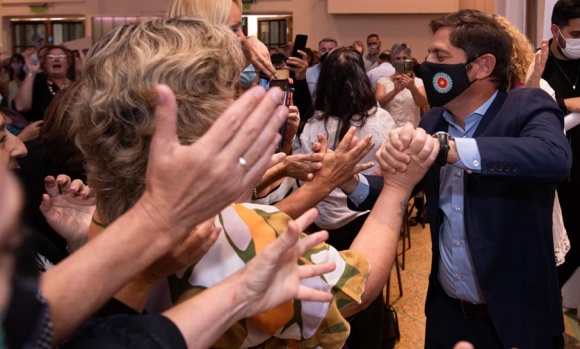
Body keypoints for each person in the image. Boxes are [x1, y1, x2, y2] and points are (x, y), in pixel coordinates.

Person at [71, 17, 436, 348]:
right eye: (232, 91)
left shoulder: (104, 211)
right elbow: (361, 285)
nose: (243, 100)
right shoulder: (239, 234)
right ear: (199, 117)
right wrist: (398, 189)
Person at [350, 9, 571, 348]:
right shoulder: (435, 119)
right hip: (448, 315)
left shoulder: (526, 105)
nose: (427, 64)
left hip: (517, 320)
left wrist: (453, 149)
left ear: (482, 66)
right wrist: (347, 181)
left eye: (440, 56)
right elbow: (402, 189)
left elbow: (554, 158)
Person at [298, 46, 396, 349]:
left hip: (322, 226)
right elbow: (388, 178)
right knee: (365, 296)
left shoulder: (314, 125)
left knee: (329, 297)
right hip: (364, 224)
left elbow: (304, 173)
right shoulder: (379, 121)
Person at [541, 0, 580, 290]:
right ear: (556, 30)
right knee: (552, 258)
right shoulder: (539, 66)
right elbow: (525, 108)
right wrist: (567, 104)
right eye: (577, 35)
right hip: (553, 181)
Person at [13, 46, 74, 122]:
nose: (56, 59)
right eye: (51, 57)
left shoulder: (75, 87)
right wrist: (31, 71)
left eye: (61, 56)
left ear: (68, 63)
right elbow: (21, 107)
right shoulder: (37, 81)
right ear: (44, 64)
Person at [375, 43, 428, 127]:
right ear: (392, 61)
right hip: (389, 130)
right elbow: (379, 104)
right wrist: (395, 91)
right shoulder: (382, 82)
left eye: (404, 58)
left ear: (409, 60)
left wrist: (412, 88)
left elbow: (423, 104)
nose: (401, 61)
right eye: (397, 58)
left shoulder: (418, 81)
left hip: (412, 130)